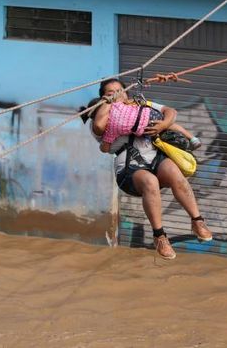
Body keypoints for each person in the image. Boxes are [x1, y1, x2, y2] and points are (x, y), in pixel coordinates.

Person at [85, 78, 213, 260]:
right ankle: (160, 236)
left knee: (175, 173)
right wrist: (110, 102)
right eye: (109, 92)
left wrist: (163, 124)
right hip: (129, 169)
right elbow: (99, 126)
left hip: (155, 158)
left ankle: (197, 221)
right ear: (102, 98)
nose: (116, 94)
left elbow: (169, 112)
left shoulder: (140, 106)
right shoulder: (99, 118)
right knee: (150, 181)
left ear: (126, 92)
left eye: (119, 90)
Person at [89, 93, 201, 153]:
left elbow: (106, 149)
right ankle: (192, 138)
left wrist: (101, 146)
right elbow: (121, 97)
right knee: (168, 125)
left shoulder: (110, 131)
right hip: (149, 113)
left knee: (165, 133)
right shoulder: (118, 104)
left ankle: (185, 147)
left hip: (145, 129)